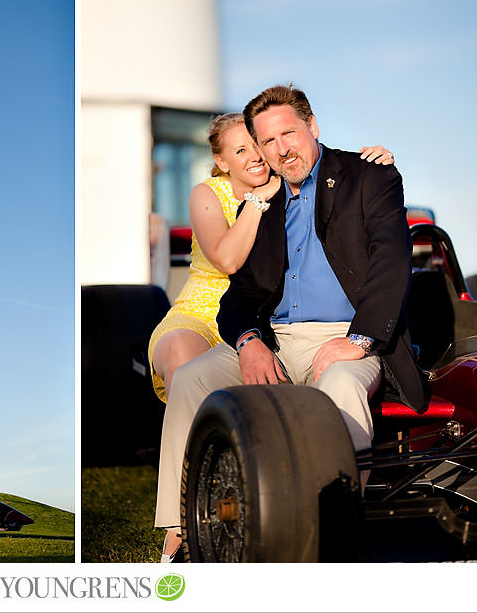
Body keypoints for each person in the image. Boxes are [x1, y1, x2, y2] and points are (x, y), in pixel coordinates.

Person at [154, 85, 428, 562]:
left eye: (290, 133)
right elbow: (240, 293)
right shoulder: (262, 203)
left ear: (313, 127)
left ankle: (334, 535)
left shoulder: (369, 176)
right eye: (268, 141)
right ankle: (181, 531)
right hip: (275, 339)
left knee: (342, 386)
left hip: (349, 338)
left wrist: (359, 339)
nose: (282, 148)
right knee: (194, 378)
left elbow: (391, 260)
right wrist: (248, 342)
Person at [148, 113, 394, 403]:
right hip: (203, 315)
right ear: (222, 162)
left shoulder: (288, 185)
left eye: (257, 145)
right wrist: (258, 198)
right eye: (240, 151)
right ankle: (197, 444)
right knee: (185, 360)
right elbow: (227, 261)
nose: (255, 157)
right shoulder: (208, 192)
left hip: (260, 319)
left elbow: (317, 161)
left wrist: (370, 161)